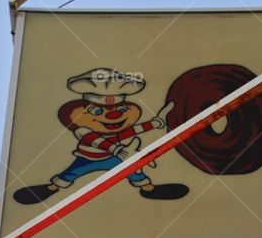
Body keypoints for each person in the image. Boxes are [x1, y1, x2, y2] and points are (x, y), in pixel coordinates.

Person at [12, 68, 189, 205]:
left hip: (114, 158)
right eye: (97, 111)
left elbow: (129, 132)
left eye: (121, 109)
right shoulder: (82, 130)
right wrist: (116, 149)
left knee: (134, 170)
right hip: (87, 158)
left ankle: (148, 189)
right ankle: (50, 188)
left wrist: (153, 124)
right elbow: (96, 141)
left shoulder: (115, 133)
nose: (112, 115)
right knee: (71, 173)